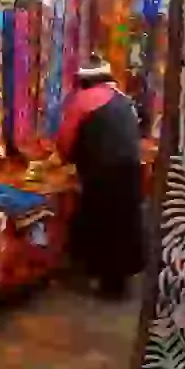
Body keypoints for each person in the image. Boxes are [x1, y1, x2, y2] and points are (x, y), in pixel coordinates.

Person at [54, 55, 145, 298]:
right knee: (123, 224)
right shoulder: (123, 99)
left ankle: (102, 281)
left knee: (103, 224)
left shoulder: (84, 99)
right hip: (131, 168)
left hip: (103, 171)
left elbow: (65, 141)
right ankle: (117, 282)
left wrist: (64, 160)